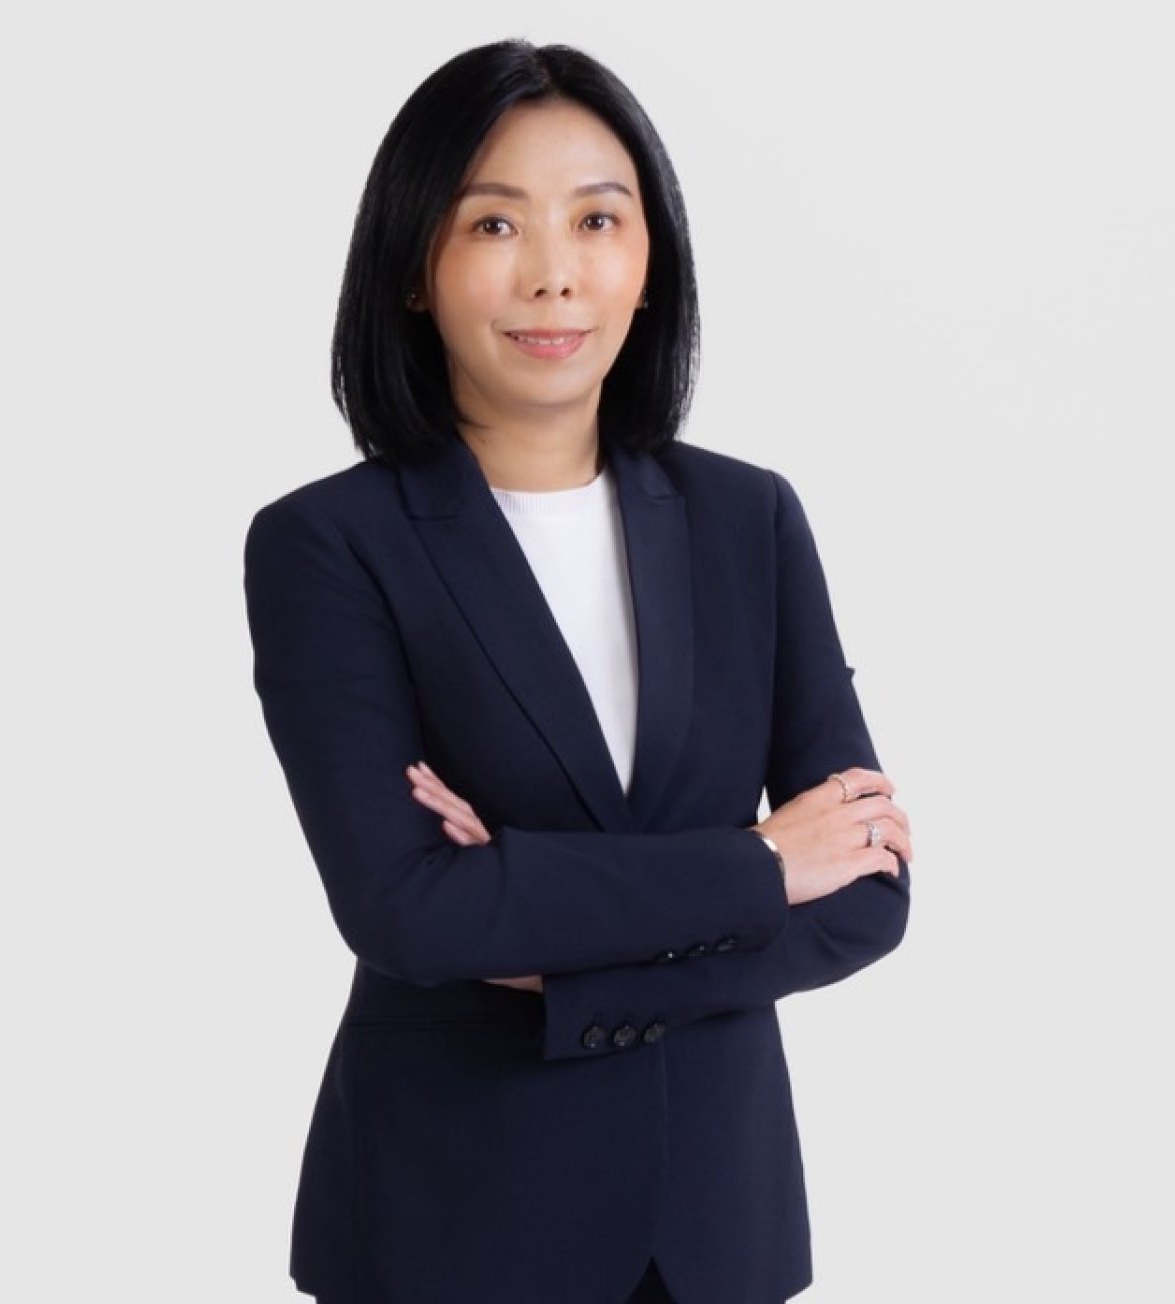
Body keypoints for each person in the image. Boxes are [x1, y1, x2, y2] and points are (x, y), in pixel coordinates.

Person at [244, 38, 914, 1304]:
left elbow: (867, 886)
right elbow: (406, 908)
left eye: (597, 220)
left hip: (715, 1226)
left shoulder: (749, 520)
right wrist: (760, 864)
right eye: (494, 223)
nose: (554, 273)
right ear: (414, 269)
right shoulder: (328, 544)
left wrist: (546, 921)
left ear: (650, 260)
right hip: (448, 1223)